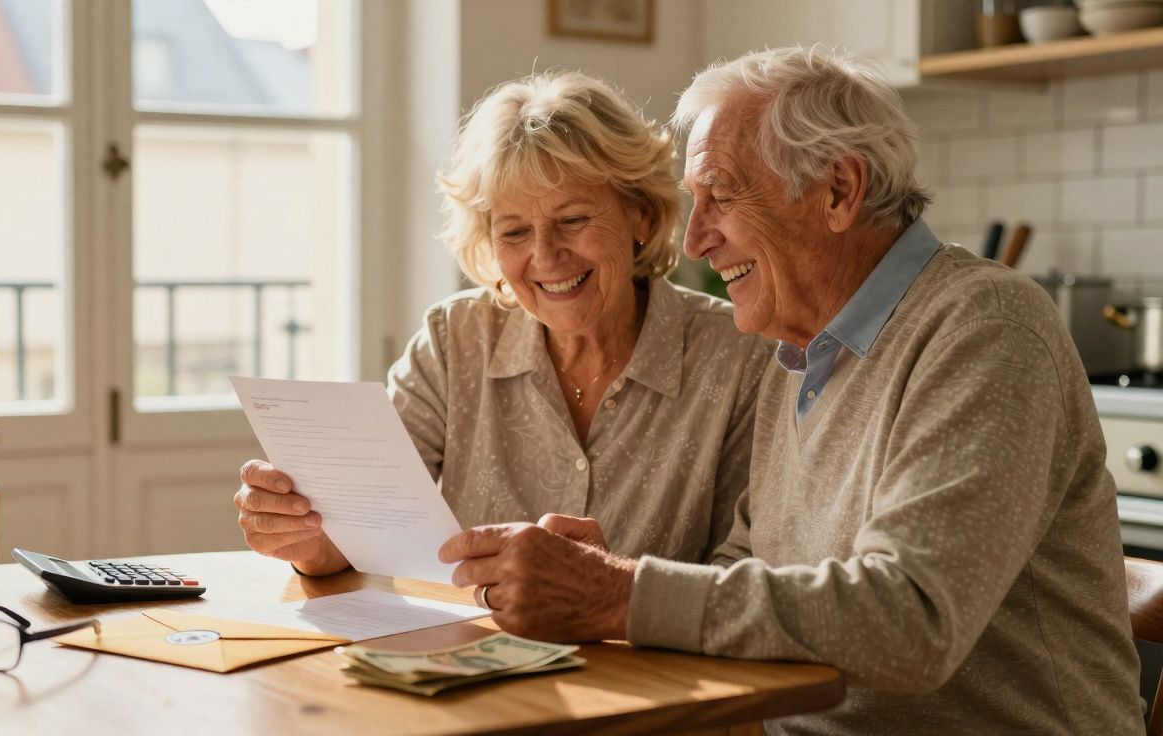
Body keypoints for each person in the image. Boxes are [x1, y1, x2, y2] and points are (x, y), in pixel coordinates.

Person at [439, 46, 1143, 734]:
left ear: (838, 190)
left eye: (721, 197)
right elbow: (748, 567)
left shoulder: (983, 327)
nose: (695, 241)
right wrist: (610, 577)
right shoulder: (801, 352)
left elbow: (913, 619)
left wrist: (618, 592)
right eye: (694, 202)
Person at [234, 71, 770, 579]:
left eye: (572, 220)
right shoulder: (454, 340)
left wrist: (615, 586)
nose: (546, 256)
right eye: (514, 232)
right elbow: (361, 530)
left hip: (643, 651)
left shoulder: (738, 357)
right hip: (467, 645)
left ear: (641, 216)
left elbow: (747, 580)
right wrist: (304, 537)